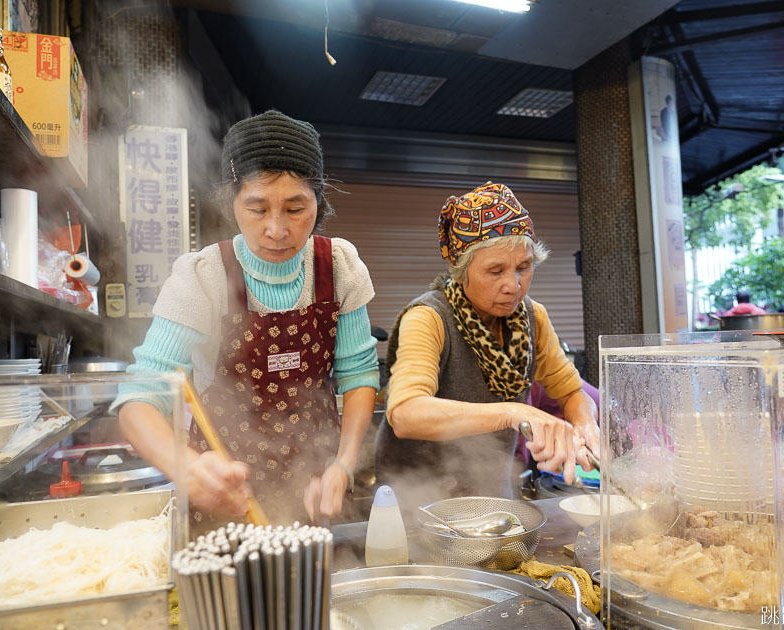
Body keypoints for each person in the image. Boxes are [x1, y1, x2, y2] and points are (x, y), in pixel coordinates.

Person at [114, 110, 380, 525]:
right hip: (223, 494)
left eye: (296, 209)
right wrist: (187, 467)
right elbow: (139, 399)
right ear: (231, 203)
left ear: (319, 202)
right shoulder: (203, 277)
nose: (276, 229)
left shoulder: (339, 266)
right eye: (257, 208)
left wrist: (344, 464)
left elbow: (359, 374)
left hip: (317, 489)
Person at [374, 182, 600, 506]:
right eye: (495, 271)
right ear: (462, 272)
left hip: (492, 499)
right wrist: (513, 412)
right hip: (417, 504)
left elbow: (571, 390)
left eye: (524, 267)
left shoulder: (533, 319)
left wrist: (586, 426)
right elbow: (406, 413)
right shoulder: (428, 318)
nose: (513, 285)